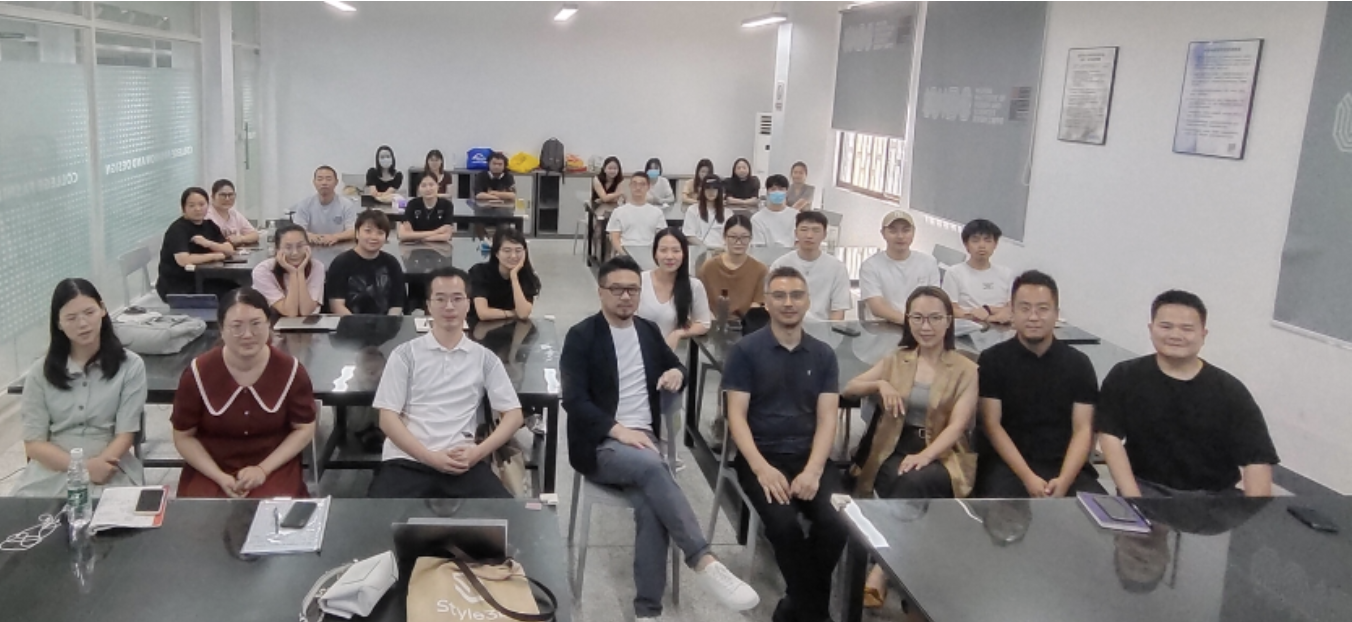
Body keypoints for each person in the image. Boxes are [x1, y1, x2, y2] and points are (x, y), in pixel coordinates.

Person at [562, 256, 760, 621]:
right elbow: (574, 401)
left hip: (645, 444)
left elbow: (677, 365)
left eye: (632, 290)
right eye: (617, 289)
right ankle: (702, 559)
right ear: (601, 292)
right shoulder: (581, 336)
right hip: (602, 443)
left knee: (652, 506)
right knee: (655, 467)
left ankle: (648, 612)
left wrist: (676, 374)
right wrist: (618, 430)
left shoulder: (648, 331)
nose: (625, 296)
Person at [722, 266, 848, 622]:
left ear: (807, 301)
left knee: (839, 522)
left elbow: (828, 419)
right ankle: (815, 613)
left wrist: (814, 470)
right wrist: (762, 468)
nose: (788, 303)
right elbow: (736, 417)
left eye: (796, 295)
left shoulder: (823, 354)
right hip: (760, 457)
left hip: (810, 457)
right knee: (784, 525)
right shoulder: (745, 351)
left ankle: (795, 603)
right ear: (767, 302)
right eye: (779, 296)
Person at [842, 286, 978, 607]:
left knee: (913, 482)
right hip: (892, 445)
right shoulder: (897, 360)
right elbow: (850, 388)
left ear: (948, 321)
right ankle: (913, 578)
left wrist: (926, 455)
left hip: (943, 451)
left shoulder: (967, 369)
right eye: (917, 318)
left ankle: (881, 571)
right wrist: (880, 384)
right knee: (899, 479)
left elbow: (958, 426)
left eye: (934, 318)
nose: (925, 326)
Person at [1097, 290, 1278, 498]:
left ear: (1203, 335)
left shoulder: (1229, 390)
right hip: (1146, 487)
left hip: (1215, 497)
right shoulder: (1125, 375)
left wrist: (1255, 511)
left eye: (1187, 328)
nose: (1175, 335)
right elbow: (1109, 436)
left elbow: (1257, 459)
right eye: (1166, 326)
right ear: (1151, 329)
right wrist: (1133, 498)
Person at [366, 267, 525, 498]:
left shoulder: (485, 358)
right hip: (407, 460)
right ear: (428, 306)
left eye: (457, 298)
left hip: (463, 462)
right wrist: (430, 457)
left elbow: (514, 415)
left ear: (468, 304)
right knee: (375, 518)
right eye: (440, 299)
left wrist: (477, 453)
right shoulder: (404, 355)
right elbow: (387, 419)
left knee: (504, 516)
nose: (449, 307)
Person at [171, 288, 317, 498]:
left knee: (274, 510)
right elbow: (183, 436)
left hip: (273, 466)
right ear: (221, 329)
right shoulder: (198, 373)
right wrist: (219, 476)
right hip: (211, 468)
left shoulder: (290, 371)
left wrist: (263, 470)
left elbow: (304, 428)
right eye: (236, 326)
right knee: (203, 512)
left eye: (256, 324)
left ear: (269, 324)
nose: (247, 335)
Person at [971, 270, 1105, 498]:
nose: (1033, 317)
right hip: (1008, 466)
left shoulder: (1078, 364)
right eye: (1025, 308)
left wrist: (1064, 480)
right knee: (1004, 507)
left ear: (1056, 314)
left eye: (1043, 309)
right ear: (1012, 312)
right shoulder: (993, 360)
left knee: (1096, 511)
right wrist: (1028, 477)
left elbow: (1083, 429)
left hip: (1065, 466)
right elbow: (992, 425)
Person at [14, 279, 147, 498]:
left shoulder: (130, 366)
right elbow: (34, 444)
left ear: (102, 309)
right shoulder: (40, 371)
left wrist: (99, 467)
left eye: (89, 312)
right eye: (71, 318)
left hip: (109, 464)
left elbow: (126, 435)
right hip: (54, 468)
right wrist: (83, 468)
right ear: (58, 323)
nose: (83, 323)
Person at [156, 186, 237, 301]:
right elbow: (183, 260)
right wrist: (215, 256)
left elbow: (229, 250)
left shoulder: (209, 225)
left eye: (201, 204)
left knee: (239, 288)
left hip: (205, 278)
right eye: (191, 205)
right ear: (183, 208)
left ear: (208, 205)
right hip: (180, 285)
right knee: (233, 295)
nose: (197, 209)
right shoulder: (177, 229)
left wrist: (209, 244)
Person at [859, 210, 941, 324]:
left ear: (913, 232)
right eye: (893, 231)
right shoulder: (870, 266)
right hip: (883, 328)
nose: (900, 236)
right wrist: (909, 322)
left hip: (921, 326)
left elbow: (934, 300)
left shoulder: (928, 262)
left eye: (906, 230)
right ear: (883, 233)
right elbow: (877, 306)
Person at [769, 211, 851, 321]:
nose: (809, 235)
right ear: (796, 233)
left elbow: (838, 311)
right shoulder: (780, 264)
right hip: (787, 325)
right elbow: (772, 305)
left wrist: (831, 331)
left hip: (823, 327)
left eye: (816, 230)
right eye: (804, 230)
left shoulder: (837, 268)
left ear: (824, 235)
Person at [639, 228, 712, 352]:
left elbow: (704, 323)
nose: (669, 256)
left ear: (684, 253)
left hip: (670, 355)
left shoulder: (694, 285)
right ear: (655, 253)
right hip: (637, 352)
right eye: (663, 250)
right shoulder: (640, 280)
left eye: (676, 251)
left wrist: (679, 333)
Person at [325, 210, 406, 316]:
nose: (374, 237)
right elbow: (336, 305)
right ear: (357, 233)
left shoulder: (392, 263)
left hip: (385, 324)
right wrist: (356, 324)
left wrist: (388, 322)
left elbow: (397, 304)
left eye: (380, 233)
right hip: (349, 323)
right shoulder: (340, 263)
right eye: (368, 231)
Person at [942, 218, 1015, 324]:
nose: (982, 246)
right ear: (966, 245)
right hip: (967, 328)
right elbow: (950, 310)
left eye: (987, 240)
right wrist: (987, 318)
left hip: (1001, 328)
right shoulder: (954, 273)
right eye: (975, 240)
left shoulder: (1006, 274)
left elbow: (1012, 308)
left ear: (995, 244)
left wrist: (988, 310)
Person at [698, 214, 767, 319]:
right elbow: (701, 303)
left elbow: (757, 304)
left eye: (744, 237)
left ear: (751, 238)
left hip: (747, 324)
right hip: (712, 321)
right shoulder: (708, 267)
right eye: (733, 237)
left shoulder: (760, 270)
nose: (738, 242)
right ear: (724, 237)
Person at [252, 224, 325, 317]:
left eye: (300, 246)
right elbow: (290, 312)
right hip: (272, 321)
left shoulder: (317, 267)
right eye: (288, 247)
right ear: (277, 249)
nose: (295, 253)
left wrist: (300, 272)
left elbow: (306, 311)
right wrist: (293, 273)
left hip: (307, 323)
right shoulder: (262, 271)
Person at [469, 227, 541, 322]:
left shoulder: (527, 276)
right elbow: (483, 313)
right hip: (478, 326)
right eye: (507, 250)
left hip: (511, 328)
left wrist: (514, 277)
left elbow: (523, 314)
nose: (513, 256)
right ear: (496, 253)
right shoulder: (480, 272)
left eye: (518, 250)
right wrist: (511, 313)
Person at [293, 165, 359, 246]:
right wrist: (309, 235)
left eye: (328, 179)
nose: (324, 183)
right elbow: (297, 230)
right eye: (320, 179)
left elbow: (353, 231)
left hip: (340, 248)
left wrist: (335, 237)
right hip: (311, 248)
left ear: (336, 182)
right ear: (314, 182)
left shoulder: (347, 205)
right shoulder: (305, 204)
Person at [606, 172, 668, 255]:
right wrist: (625, 255)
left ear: (648, 187)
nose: (638, 187)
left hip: (649, 252)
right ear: (630, 186)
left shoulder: (657, 212)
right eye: (634, 184)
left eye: (642, 184)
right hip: (625, 252)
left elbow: (662, 237)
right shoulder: (618, 212)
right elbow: (614, 237)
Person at [398, 174, 455, 243]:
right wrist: (437, 232)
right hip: (415, 247)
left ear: (438, 186)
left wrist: (415, 237)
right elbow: (402, 235)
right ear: (418, 188)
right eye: (423, 185)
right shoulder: (412, 204)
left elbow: (446, 235)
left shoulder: (447, 205)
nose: (428, 189)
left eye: (431, 185)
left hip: (439, 247)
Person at [751, 174, 798, 248]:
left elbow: (799, 242)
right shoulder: (757, 219)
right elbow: (758, 247)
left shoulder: (796, 216)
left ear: (787, 192)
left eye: (781, 189)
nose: (777, 192)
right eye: (773, 189)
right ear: (767, 192)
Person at [207, 179, 259, 247]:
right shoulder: (206, 215)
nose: (227, 199)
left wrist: (241, 239)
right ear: (213, 196)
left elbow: (255, 235)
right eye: (223, 195)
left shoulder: (234, 214)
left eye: (231, 195)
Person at [682, 175, 727, 249]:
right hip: (699, 249)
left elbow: (730, 236)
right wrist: (705, 248)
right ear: (702, 191)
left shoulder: (728, 213)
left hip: (721, 250)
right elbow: (689, 235)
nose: (711, 192)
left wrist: (722, 249)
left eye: (714, 188)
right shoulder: (692, 210)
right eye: (708, 188)